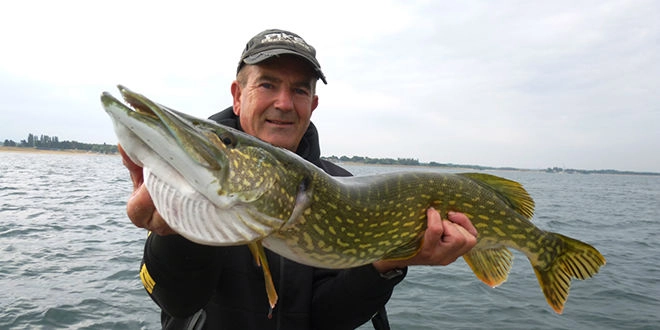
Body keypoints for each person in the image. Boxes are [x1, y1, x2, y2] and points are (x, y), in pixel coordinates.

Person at [119, 29, 478, 330]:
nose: (284, 103)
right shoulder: (193, 180)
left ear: (313, 105)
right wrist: (179, 231)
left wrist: (386, 264)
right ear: (237, 96)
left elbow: (327, 318)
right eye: (267, 85)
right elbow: (176, 301)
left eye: (300, 90)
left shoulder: (339, 186)